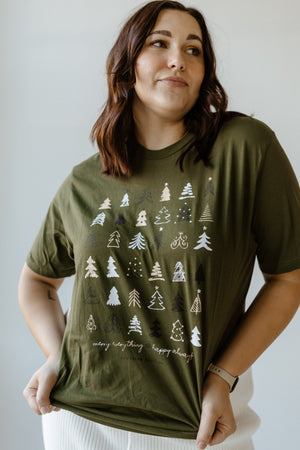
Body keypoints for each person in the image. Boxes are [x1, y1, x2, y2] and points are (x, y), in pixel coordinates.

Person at [18, 1, 300, 449]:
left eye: (194, 50)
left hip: (198, 426)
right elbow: (36, 281)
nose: (178, 59)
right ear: (128, 66)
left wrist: (222, 378)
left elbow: (287, 279)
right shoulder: (85, 180)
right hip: (78, 419)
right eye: (159, 43)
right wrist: (59, 355)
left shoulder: (245, 149)